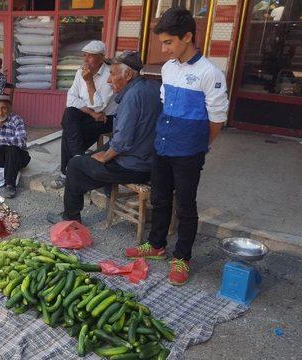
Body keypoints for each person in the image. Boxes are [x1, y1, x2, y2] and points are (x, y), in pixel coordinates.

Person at [124, 7, 228, 286]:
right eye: (163, 42)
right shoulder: (168, 69)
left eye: (169, 42)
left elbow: (217, 119)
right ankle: (156, 245)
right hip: (162, 146)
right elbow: (165, 104)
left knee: (185, 206)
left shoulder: (210, 73)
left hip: (189, 153)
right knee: (159, 198)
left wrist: (199, 145)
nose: (164, 48)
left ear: (187, 37)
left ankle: (182, 257)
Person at [46, 52, 161, 224]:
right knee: (90, 157)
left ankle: (70, 218)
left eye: (113, 74)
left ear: (128, 75)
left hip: (135, 166)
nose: (108, 80)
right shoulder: (152, 87)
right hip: (151, 159)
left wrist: (106, 156)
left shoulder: (131, 97)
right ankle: (106, 190)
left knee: (75, 165)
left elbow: (122, 142)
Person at [50, 40, 118, 189]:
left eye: (90, 56)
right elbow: (71, 99)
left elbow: (99, 106)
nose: (86, 60)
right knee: (69, 114)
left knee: (69, 133)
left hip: (106, 118)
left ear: (101, 58)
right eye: (84, 56)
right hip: (89, 115)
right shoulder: (80, 72)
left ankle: (66, 173)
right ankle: (78, 159)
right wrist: (91, 113)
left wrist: (89, 82)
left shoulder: (109, 74)